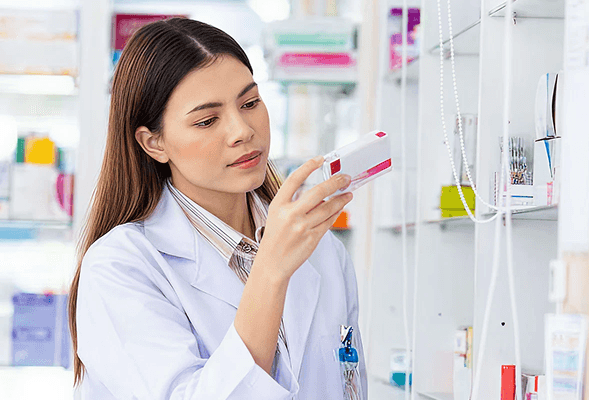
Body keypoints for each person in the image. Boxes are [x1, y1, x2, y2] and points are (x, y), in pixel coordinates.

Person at [68, 18, 366, 400]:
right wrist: (270, 272)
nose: (242, 130)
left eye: (250, 102)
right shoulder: (120, 266)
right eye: (208, 120)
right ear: (154, 143)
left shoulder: (323, 252)